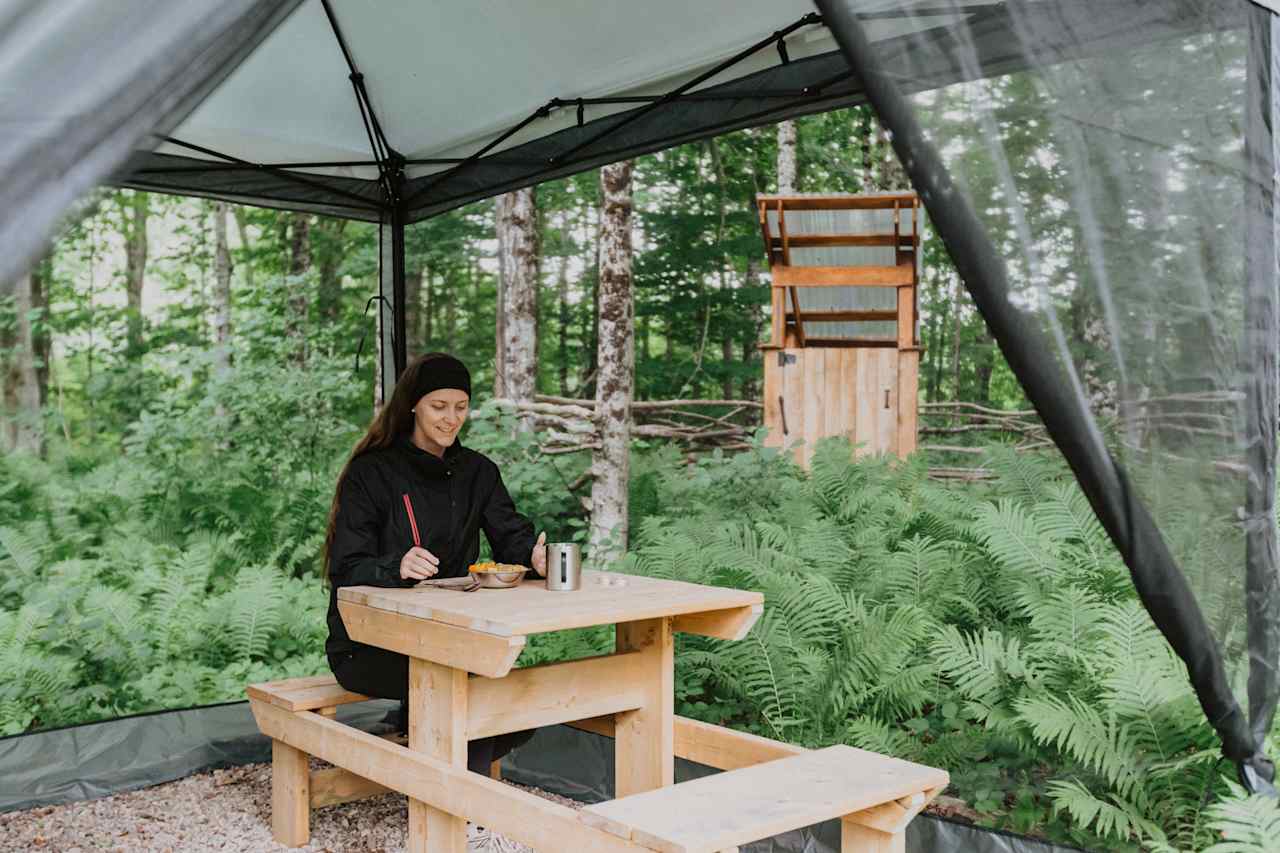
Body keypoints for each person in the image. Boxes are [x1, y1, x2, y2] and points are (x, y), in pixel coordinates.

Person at [322, 352, 545, 775]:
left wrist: (534, 556)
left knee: (522, 695)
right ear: (413, 405)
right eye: (438, 406)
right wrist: (396, 566)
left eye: (460, 407)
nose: (451, 419)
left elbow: (511, 538)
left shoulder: (479, 472)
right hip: (370, 645)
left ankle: (438, 776)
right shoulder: (371, 472)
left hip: (453, 636)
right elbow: (346, 567)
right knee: (470, 684)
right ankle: (464, 815)